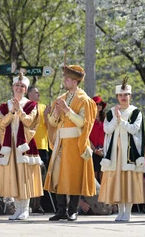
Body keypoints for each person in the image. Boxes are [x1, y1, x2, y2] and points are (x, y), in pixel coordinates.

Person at [44, 64, 97, 221]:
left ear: (75, 81)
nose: (64, 81)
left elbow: (84, 123)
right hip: (61, 142)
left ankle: (73, 210)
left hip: (75, 142)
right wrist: (54, 114)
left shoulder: (85, 100)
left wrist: (67, 110)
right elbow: (53, 123)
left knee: (74, 176)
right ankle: (61, 210)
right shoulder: (61, 98)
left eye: (67, 79)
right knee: (59, 175)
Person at [0, 73, 43, 221]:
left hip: (24, 146)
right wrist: (12, 111)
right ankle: (17, 209)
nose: (19, 88)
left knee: (24, 177)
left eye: (22, 86)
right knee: (13, 176)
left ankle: (25, 209)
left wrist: (19, 110)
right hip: (9, 146)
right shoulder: (5, 105)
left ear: (26, 89)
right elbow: (1, 123)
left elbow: (29, 122)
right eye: (17, 85)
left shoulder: (31, 105)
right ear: (13, 87)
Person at [98, 77, 145, 221]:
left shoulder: (136, 112)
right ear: (117, 96)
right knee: (117, 182)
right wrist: (116, 119)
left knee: (128, 182)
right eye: (120, 95)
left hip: (129, 153)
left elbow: (134, 129)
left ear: (130, 96)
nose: (123, 98)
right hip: (115, 153)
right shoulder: (111, 112)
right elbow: (107, 129)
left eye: (126, 95)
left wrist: (122, 121)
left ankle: (128, 212)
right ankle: (120, 211)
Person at [28, 86, 48, 214]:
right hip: (29, 145)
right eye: (35, 92)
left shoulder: (44, 107)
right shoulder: (26, 107)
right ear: (29, 94)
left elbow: (50, 124)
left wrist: (48, 115)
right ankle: (27, 204)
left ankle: (37, 205)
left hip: (42, 146)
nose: (38, 93)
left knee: (40, 177)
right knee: (28, 176)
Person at [90, 95, 107, 183]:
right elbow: (86, 138)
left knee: (102, 174)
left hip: (103, 150)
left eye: (100, 104)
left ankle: (102, 195)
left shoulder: (106, 120)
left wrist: (104, 149)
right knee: (94, 174)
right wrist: (95, 150)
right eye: (97, 104)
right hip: (92, 150)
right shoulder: (89, 119)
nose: (99, 106)